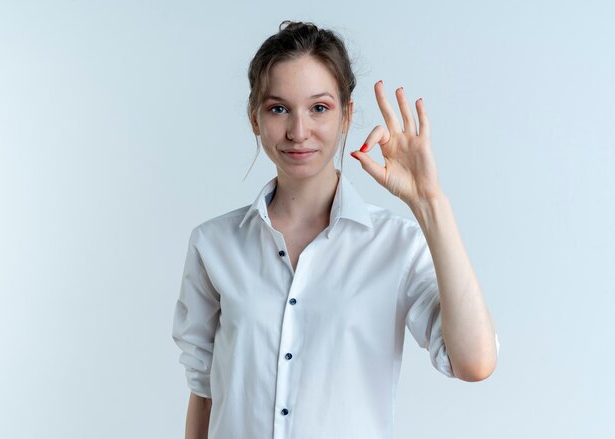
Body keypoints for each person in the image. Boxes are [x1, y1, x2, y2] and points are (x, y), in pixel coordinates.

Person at [172, 20, 499, 439]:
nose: (298, 131)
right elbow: (204, 393)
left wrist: (430, 203)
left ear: (346, 115)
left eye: (319, 108)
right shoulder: (213, 244)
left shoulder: (395, 245)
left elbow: (474, 362)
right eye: (278, 108)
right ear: (255, 118)